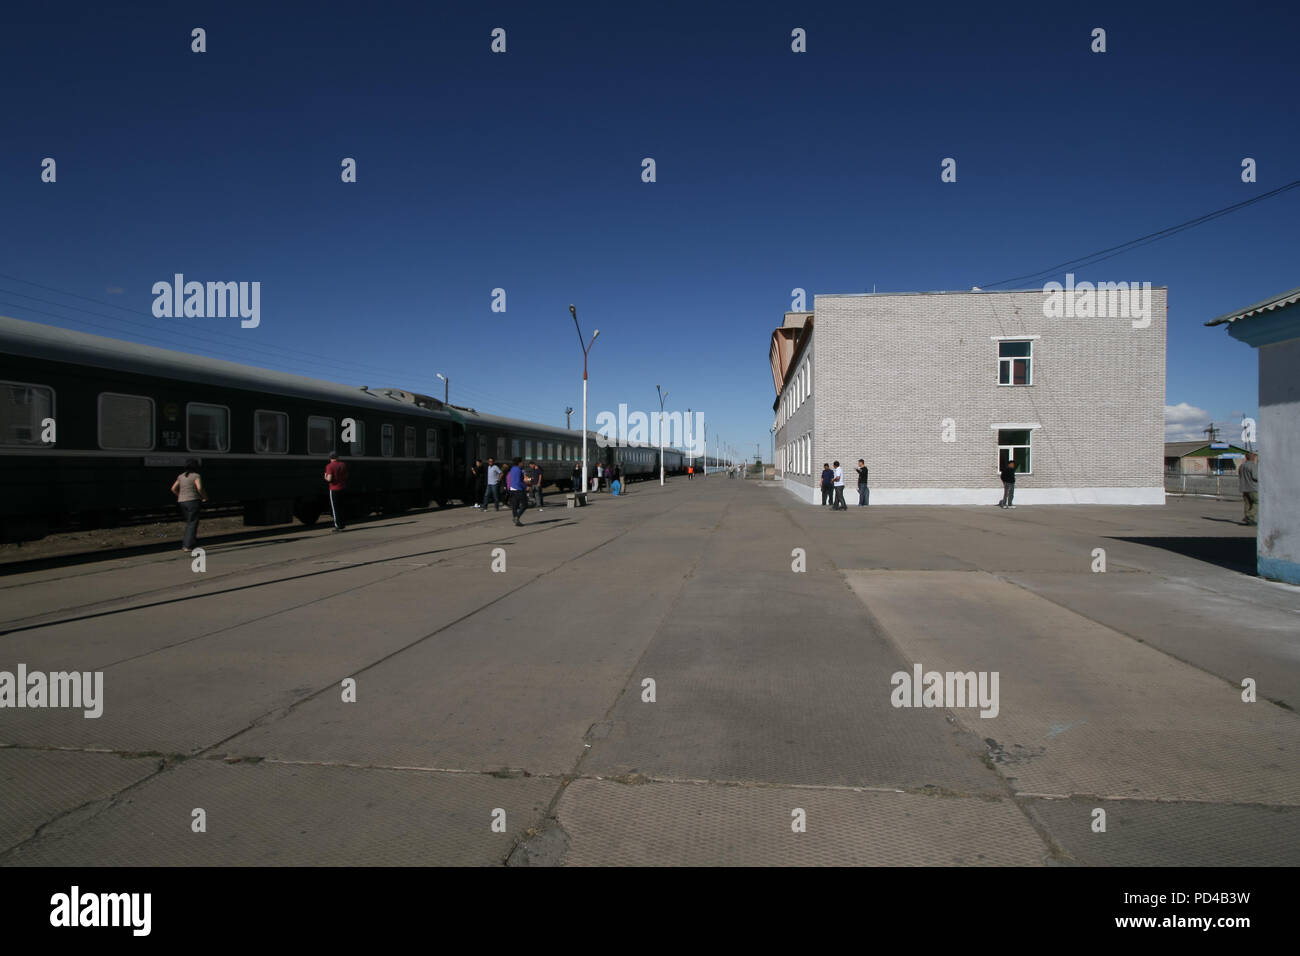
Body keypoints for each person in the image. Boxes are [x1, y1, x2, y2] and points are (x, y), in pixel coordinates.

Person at [170, 458, 209, 551]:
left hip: (182, 502)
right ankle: (187, 545)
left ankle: (190, 543)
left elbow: (173, 489)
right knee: (192, 523)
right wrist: (205, 497)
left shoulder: (181, 476)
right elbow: (199, 488)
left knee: (189, 522)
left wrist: (180, 496)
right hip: (193, 501)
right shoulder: (196, 476)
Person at [323, 452, 348, 530]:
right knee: (341, 507)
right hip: (342, 488)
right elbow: (346, 476)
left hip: (334, 489)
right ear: (337, 457)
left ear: (330, 458)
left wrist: (325, 477)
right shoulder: (343, 465)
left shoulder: (329, 466)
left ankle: (338, 526)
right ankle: (342, 524)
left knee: (335, 508)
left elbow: (329, 479)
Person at [1238, 452, 1259, 526]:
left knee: (1248, 504)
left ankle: (1248, 519)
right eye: (1255, 456)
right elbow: (1255, 477)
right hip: (1253, 488)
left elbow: (1240, 476)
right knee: (1258, 502)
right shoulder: (1253, 465)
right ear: (1252, 457)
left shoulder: (1242, 466)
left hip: (1244, 487)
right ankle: (1249, 516)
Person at [507, 457, 528, 526]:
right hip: (519, 489)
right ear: (519, 463)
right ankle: (516, 517)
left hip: (512, 489)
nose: (523, 463)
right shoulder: (519, 470)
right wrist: (525, 486)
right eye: (522, 462)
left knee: (515, 506)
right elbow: (519, 481)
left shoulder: (512, 469)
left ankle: (516, 520)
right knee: (525, 504)